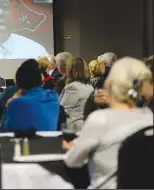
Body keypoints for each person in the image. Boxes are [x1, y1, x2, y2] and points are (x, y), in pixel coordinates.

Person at [63, 57, 153, 189]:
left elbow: (72, 162)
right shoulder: (149, 118)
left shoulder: (99, 120)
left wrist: (73, 149)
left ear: (110, 84)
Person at [2, 59, 59, 132]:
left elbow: (6, 129)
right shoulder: (53, 97)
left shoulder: (15, 103)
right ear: (40, 80)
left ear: (18, 83)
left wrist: (10, 103)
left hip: (26, 142)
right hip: (50, 142)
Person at [60, 57, 93, 133]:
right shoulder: (89, 85)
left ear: (70, 69)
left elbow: (62, 107)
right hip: (83, 125)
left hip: (72, 128)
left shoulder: (73, 87)